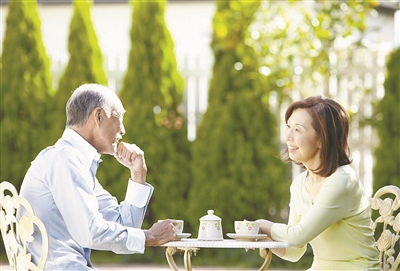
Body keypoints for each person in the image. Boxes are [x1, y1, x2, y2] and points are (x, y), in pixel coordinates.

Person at [19, 83, 177, 270]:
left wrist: (138, 175)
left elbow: (124, 225)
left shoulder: (75, 162)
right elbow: (90, 232)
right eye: (119, 118)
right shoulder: (63, 158)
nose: (123, 130)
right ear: (98, 116)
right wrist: (149, 237)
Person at [257, 96, 380, 270]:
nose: (288, 136)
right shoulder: (299, 184)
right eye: (288, 126)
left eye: (298, 129)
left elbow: (297, 236)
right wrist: (263, 239)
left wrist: (263, 225)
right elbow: (295, 250)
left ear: (322, 138)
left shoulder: (343, 181)